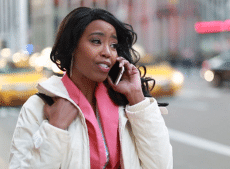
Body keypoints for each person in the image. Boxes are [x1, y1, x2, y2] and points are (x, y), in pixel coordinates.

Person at [9, 7, 173, 169]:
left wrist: (137, 97)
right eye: (96, 41)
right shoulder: (39, 107)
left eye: (114, 45)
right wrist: (54, 130)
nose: (107, 52)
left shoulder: (126, 105)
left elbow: (161, 165)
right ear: (72, 47)